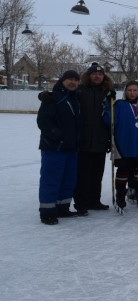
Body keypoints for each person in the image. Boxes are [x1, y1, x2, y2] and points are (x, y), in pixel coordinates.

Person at [37, 70, 84, 225]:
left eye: (76, 80)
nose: (73, 82)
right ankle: (47, 212)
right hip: (54, 148)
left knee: (68, 180)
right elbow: (43, 121)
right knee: (51, 179)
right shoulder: (52, 98)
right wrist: (57, 136)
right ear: (62, 80)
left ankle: (62, 208)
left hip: (71, 149)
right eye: (69, 79)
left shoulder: (75, 98)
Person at [104, 80, 138, 212]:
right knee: (123, 172)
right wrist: (107, 102)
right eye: (129, 90)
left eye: (134, 90)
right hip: (123, 145)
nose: (132, 93)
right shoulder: (119, 104)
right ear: (125, 91)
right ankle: (120, 197)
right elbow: (110, 121)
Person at [75, 63, 114, 213]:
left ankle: (94, 200)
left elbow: (111, 118)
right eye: (94, 74)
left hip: (100, 140)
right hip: (83, 140)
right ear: (89, 75)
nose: (97, 76)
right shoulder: (80, 90)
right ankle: (81, 203)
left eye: (100, 74)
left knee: (97, 174)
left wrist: (110, 139)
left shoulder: (107, 93)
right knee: (83, 174)